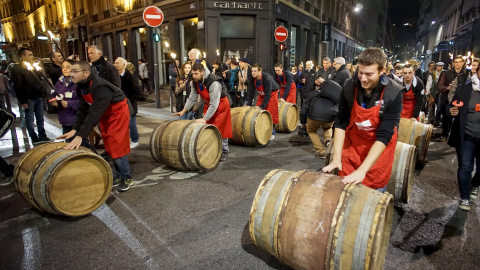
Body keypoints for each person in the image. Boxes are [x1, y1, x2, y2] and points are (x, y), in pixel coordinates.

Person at [322, 47, 403, 191]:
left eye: (369, 74)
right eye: (360, 72)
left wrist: (362, 170)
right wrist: (336, 158)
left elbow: (385, 134)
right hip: (354, 144)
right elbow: (341, 122)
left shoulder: (393, 93)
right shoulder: (349, 86)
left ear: (382, 71)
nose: (363, 78)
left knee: (372, 194)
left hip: (377, 150)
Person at [58, 61, 134, 192]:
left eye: (75, 71)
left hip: (118, 113)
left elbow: (94, 113)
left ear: (86, 73)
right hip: (106, 114)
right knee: (109, 145)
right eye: (71, 71)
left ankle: (127, 177)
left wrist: (81, 135)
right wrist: (75, 129)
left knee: (116, 145)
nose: (71, 74)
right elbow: (83, 109)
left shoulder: (100, 87)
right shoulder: (80, 86)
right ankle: (119, 175)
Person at [172, 63, 232, 161]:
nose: (194, 76)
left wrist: (205, 118)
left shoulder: (213, 82)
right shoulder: (195, 82)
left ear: (202, 72)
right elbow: (192, 98)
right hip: (209, 106)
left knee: (222, 129)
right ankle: (213, 149)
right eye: (193, 73)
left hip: (221, 106)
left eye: (196, 74)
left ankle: (224, 151)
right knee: (209, 128)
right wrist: (184, 110)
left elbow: (215, 103)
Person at [447, 67, 480, 211]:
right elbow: (451, 106)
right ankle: (465, 197)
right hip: (466, 135)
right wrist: (451, 111)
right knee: (466, 166)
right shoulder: (465, 88)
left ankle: (475, 184)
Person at [11, 47, 51, 144]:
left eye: (32, 54)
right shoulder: (17, 68)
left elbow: (40, 79)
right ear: (22, 56)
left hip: (38, 95)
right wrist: (23, 101)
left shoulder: (34, 66)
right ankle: (33, 137)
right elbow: (18, 85)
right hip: (28, 97)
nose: (32, 57)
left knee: (40, 118)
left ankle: (42, 135)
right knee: (30, 118)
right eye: (29, 55)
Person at [300, 79, 341, 157]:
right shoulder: (332, 96)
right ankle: (328, 141)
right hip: (330, 115)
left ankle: (322, 152)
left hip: (314, 116)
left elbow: (303, 110)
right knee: (327, 128)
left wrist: (303, 123)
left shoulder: (312, 94)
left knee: (311, 131)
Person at [245, 63, 279, 140]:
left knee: (271, 112)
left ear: (260, 71)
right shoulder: (251, 78)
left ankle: (272, 132)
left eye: (255, 71)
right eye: (252, 71)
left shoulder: (267, 79)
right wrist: (248, 104)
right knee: (258, 111)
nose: (252, 73)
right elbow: (250, 92)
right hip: (262, 93)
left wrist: (262, 106)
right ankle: (260, 129)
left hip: (272, 93)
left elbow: (268, 95)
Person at [114, 57, 142, 149]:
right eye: (115, 62)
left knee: (131, 124)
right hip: (118, 106)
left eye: (117, 63)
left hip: (129, 105)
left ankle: (135, 140)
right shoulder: (114, 76)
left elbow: (137, 92)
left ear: (123, 65)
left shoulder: (130, 77)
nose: (115, 64)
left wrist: (127, 99)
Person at [438, 55, 465, 141]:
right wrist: (448, 88)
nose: (457, 64)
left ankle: (455, 137)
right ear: (453, 63)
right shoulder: (446, 73)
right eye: (456, 62)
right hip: (446, 99)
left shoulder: (466, 74)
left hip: (461, 100)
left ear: (463, 63)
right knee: (446, 118)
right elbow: (440, 86)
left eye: (459, 62)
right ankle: (445, 134)